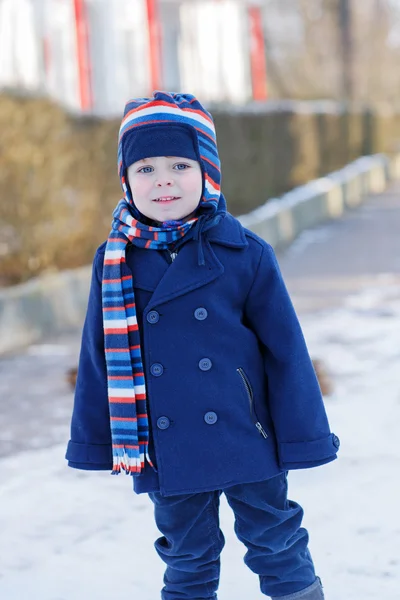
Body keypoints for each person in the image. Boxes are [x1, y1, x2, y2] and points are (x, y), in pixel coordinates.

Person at [65, 91, 340, 600]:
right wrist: (95, 440)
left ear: (207, 172)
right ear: (126, 181)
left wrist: (304, 436)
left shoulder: (245, 254)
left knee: (277, 544)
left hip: (246, 433)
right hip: (165, 446)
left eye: (179, 164)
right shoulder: (114, 263)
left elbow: (286, 354)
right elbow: (98, 356)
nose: (162, 179)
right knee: (187, 557)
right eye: (144, 168)